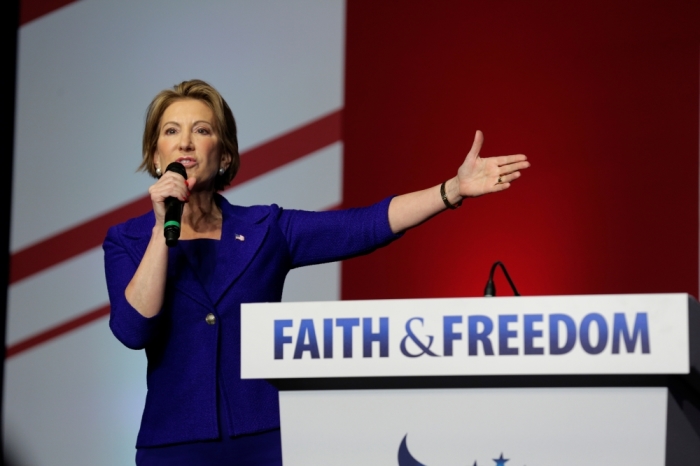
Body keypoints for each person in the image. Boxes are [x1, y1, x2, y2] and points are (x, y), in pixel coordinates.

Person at [103, 79, 530, 465]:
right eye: (171, 131)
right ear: (155, 156)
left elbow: (364, 225)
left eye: (202, 130)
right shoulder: (128, 240)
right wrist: (162, 227)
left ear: (225, 154)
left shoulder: (265, 228)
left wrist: (452, 190)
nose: (186, 144)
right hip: (173, 446)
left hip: (269, 441)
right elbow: (133, 331)